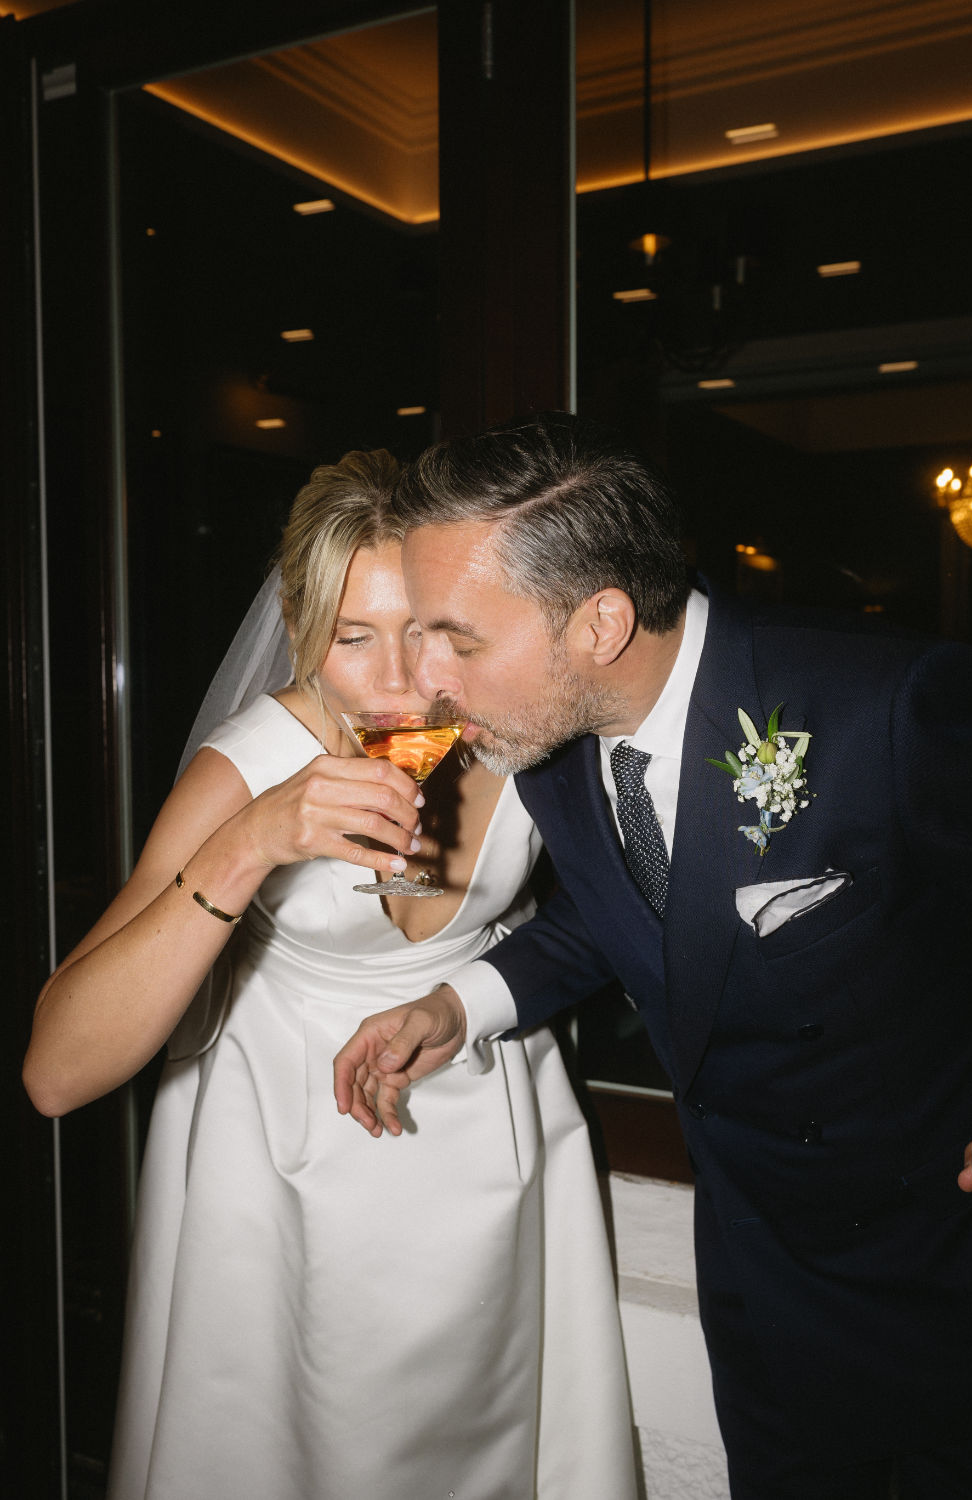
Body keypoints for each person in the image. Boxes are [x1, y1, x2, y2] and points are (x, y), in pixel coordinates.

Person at [333, 413, 972, 1500]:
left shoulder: (893, 704)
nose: (426, 681)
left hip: (942, 1282)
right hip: (753, 1274)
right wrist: (465, 1006)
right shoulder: (548, 734)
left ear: (598, 621)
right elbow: (637, 908)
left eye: (455, 636)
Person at [23, 449, 638, 1500]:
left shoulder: (520, 725)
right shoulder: (245, 765)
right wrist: (251, 841)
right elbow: (57, 1073)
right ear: (306, 636)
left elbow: (609, 910)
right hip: (283, 1176)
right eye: (355, 639)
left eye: (435, 634)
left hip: (489, 1151)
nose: (404, 682)